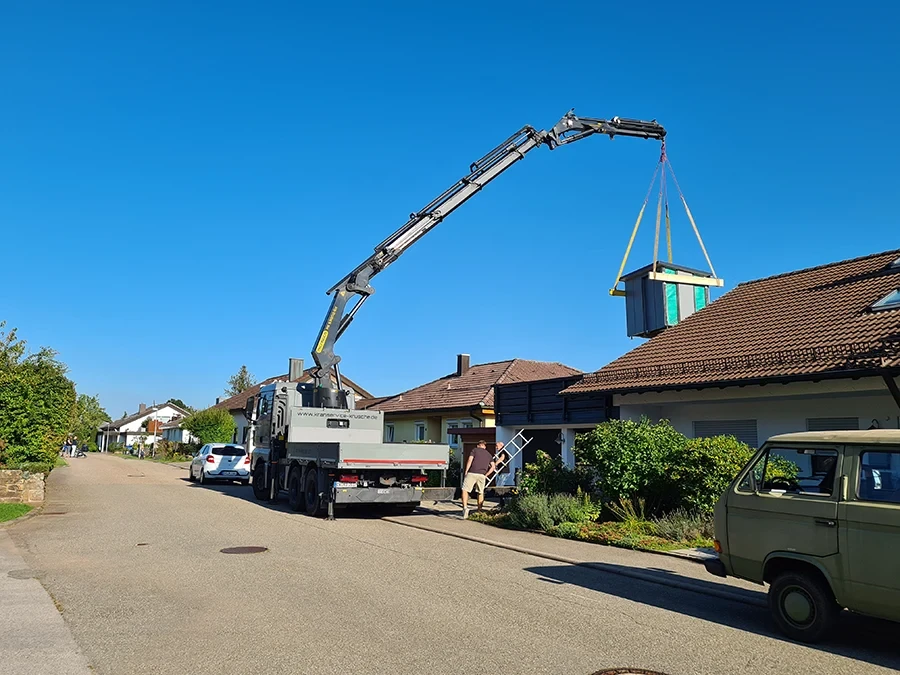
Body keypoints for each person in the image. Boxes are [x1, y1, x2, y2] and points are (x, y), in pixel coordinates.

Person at [461, 440, 496, 519]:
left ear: (478, 445)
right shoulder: (488, 454)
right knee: (480, 492)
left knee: (465, 490)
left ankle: (465, 508)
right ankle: (479, 510)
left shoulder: (474, 450)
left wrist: (466, 471)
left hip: (472, 472)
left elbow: (470, 460)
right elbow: (493, 467)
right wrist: (486, 474)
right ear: (484, 446)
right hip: (482, 475)